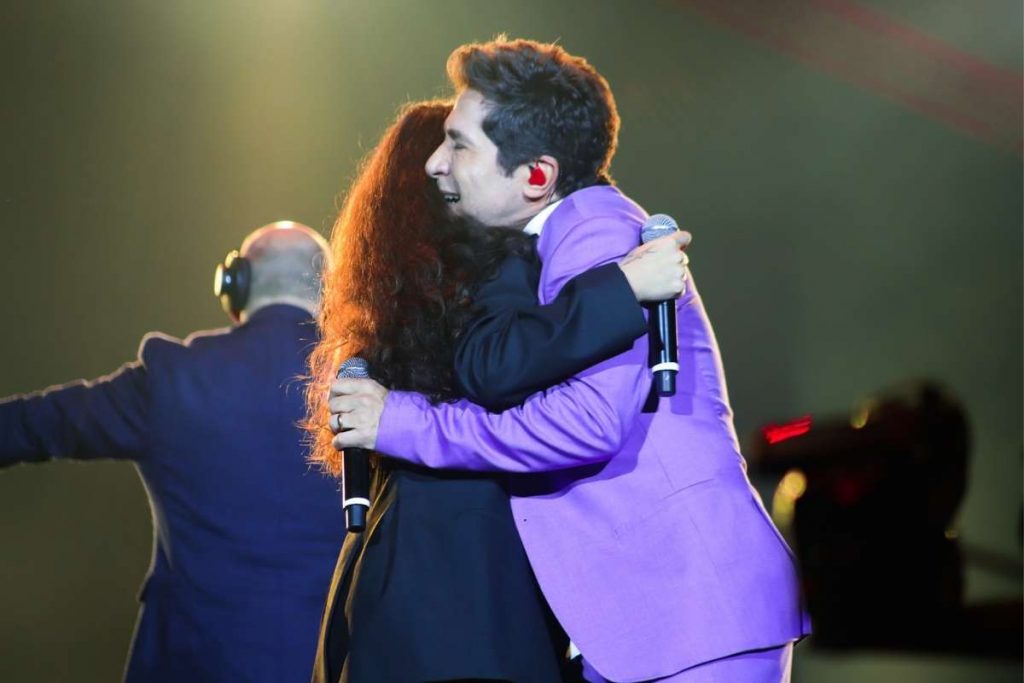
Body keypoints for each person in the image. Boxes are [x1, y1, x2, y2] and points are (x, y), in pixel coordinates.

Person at [329, 38, 811, 682]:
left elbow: (585, 424)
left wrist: (407, 424)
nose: (435, 164)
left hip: (685, 609)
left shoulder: (596, 233)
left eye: (460, 144)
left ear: (536, 176)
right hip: (653, 615)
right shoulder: (560, 240)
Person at [304, 100, 690, 683]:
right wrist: (620, 289)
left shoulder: (396, 305)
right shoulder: (500, 273)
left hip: (387, 575)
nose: (449, 163)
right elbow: (504, 368)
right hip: (474, 587)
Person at [0, 222, 346, 682]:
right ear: (333, 290)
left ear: (234, 284)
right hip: (327, 663)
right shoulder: (369, 386)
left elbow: (36, 424)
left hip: (192, 662)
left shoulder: (173, 377)